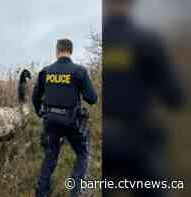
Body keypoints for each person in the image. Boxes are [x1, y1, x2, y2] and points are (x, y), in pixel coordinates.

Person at [103, 0, 185, 196]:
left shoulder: (101, 41)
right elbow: (175, 97)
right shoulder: (147, 40)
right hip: (138, 140)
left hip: (104, 139)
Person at [32, 39, 98, 197]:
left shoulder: (45, 71)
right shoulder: (79, 71)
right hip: (71, 122)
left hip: (50, 121)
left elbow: (35, 97)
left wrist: (41, 113)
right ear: (71, 51)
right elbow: (92, 98)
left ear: (57, 51)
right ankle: (75, 191)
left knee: (50, 154)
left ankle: (42, 192)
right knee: (82, 153)